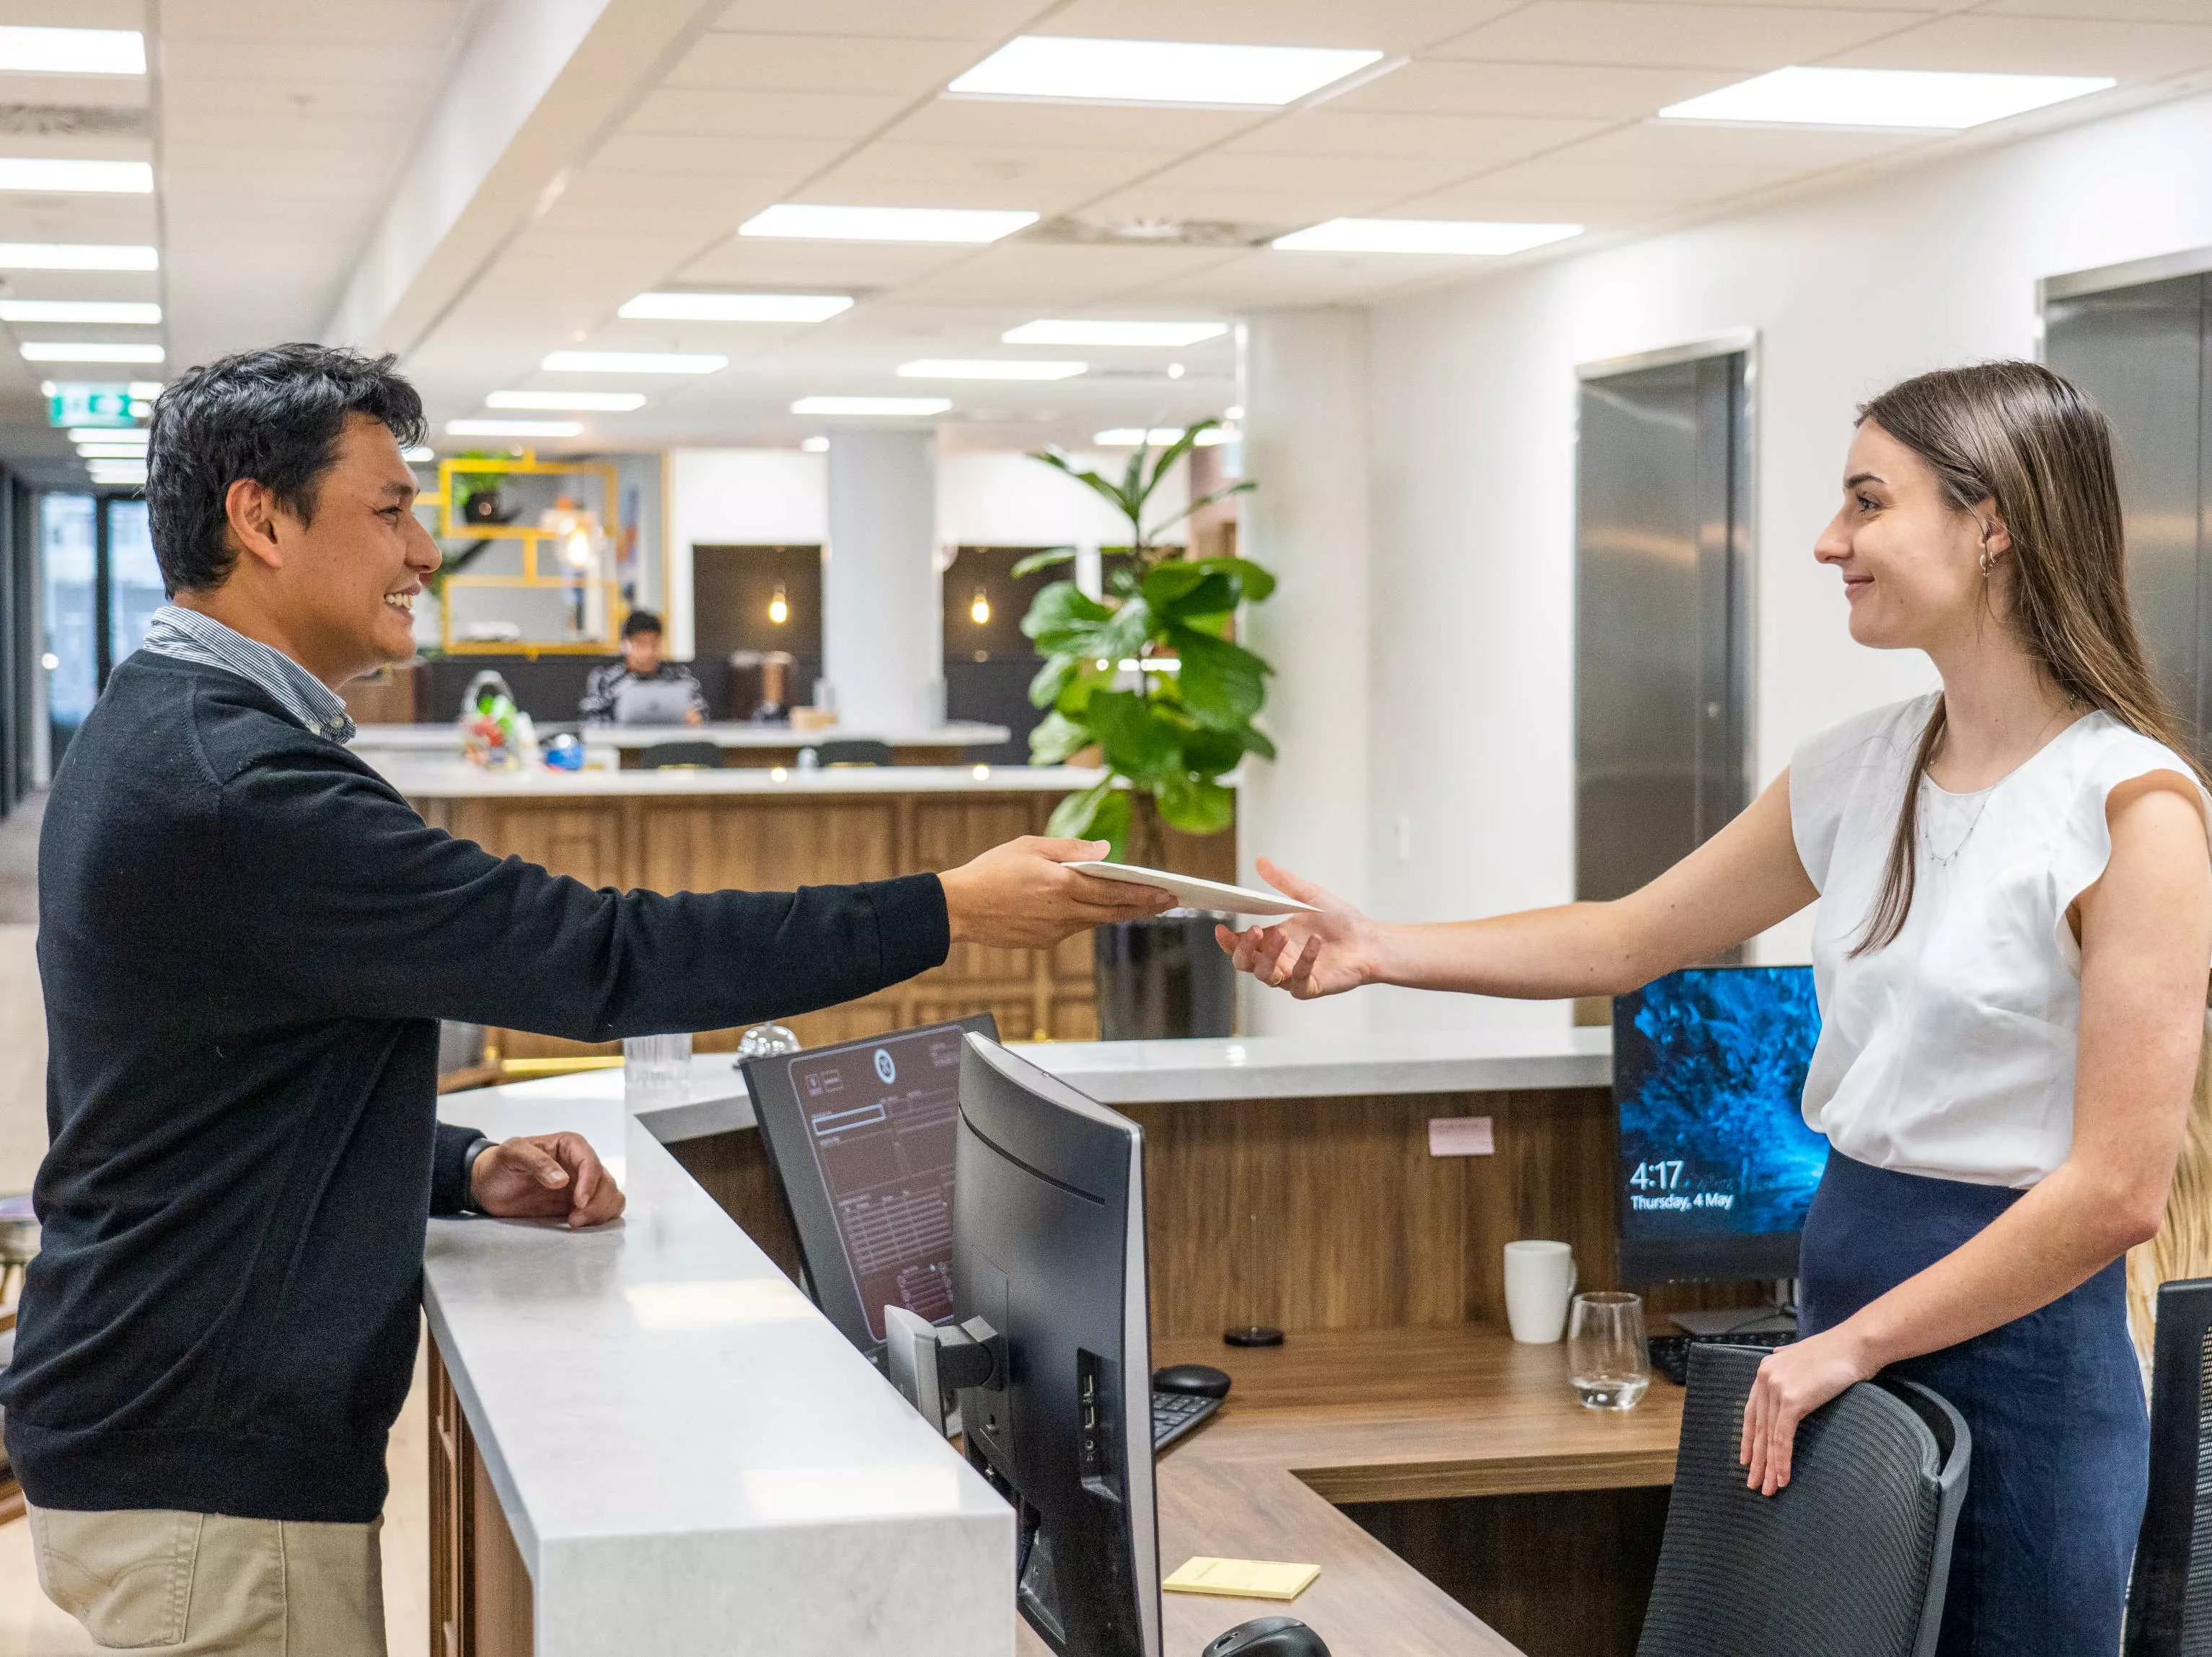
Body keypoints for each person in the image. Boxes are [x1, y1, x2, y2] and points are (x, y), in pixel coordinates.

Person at [0, 344, 1168, 1656]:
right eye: (389, 511)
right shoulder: (236, 783)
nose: (425, 551)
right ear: (259, 519)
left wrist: (460, 1163)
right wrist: (949, 908)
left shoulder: (174, 729)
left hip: (158, 1416)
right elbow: (599, 957)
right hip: (201, 1457)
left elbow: (205, 1078)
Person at [1217, 362, 2211, 1655]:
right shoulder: (1860, 766)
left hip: (2015, 1352)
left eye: (1866, 502)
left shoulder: (2132, 807)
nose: (1825, 541)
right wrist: (1377, 945)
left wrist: (1848, 1345)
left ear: (1992, 522)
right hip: (1844, 1294)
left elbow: (2117, 1190)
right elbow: (1629, 934)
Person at [579, 608, 708, 725]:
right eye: (640, 645)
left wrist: (695, 718)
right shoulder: (606, 678)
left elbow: (703, 714)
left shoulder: (680, 677)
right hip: (622, 746)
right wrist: (616, 721)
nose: (648, 652)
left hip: (671, 745)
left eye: (654, 645)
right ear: (625, 645)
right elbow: (588, 719)